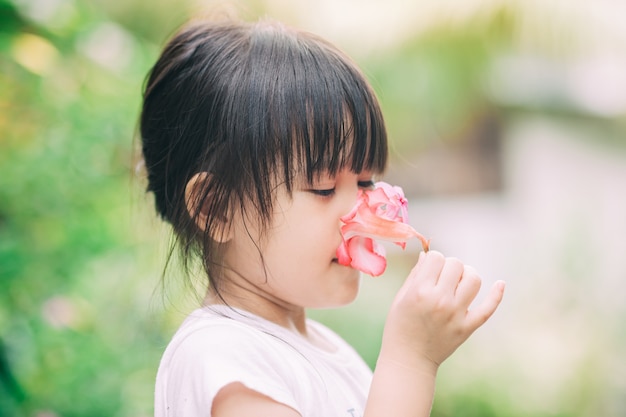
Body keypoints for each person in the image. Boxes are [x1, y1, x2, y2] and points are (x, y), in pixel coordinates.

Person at [139, 17, 505, 417]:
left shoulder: (322, 349)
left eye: (365, 182)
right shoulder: (221, 358)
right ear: (216, 207)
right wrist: (412, 359)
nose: (359, 211)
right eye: (324, 189)